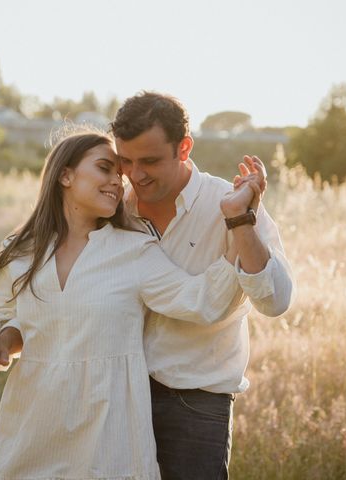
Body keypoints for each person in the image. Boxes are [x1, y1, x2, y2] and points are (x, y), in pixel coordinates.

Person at [0, 129, 265, 479]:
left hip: (109, 433)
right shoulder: (22, 250)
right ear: (65, 175)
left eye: (118, 173)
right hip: (33, 423)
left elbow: (205, 301)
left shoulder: (134, 250)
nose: (117, 181)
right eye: (104, 168)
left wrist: (238, 219)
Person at [110, 92, 295, 479]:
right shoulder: (113, 210)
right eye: (125, 160)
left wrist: (240, 221)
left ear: (184, 147)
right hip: (120, 393)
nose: (135, 174)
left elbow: (276, 300)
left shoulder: (227, 202)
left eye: (150, 161)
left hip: (196, 403)